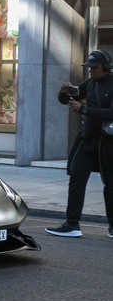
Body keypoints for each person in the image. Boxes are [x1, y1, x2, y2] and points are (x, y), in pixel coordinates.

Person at [45, 50, 113, 238]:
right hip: (88, 139)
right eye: (89, 68)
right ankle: (72, 225)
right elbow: (66, 101)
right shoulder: (89, 84)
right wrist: (63, 92)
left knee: (110, 185)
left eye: (95, 67)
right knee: (76, 179)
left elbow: (111, 113)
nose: (90, 71)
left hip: (107, 142)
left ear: (106, 67)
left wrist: (84, 109)